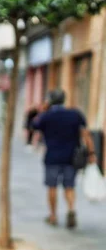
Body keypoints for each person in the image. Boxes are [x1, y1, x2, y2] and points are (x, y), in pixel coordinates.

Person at [33, 89, 96, 229]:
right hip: (71, 157)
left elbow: (34, 125)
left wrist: (42, 110)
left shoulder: (47, 116)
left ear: (50, 100)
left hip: (52, 157)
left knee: (52, 187)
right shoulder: (75, 114)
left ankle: (53, 216)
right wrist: (92, 153)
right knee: (69, 186)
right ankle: (71, 209)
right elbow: (86, 134)